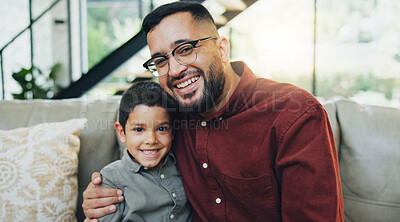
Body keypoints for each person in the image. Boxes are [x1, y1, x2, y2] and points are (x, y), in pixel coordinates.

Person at [82, 1, 344, 221]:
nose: (174, 70)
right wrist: (102, 196)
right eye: (161, 60)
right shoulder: (169, 117)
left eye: (185, 49)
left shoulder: (295, 114)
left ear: (222, 49)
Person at [97, 81, 192, 222]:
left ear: (172, 131)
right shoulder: (111, 178)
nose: (151, 140)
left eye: (161, 129)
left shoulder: (183, 163)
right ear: (122, 132)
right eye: (139, 129)